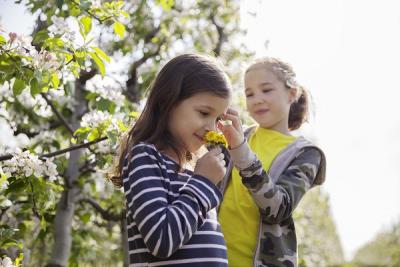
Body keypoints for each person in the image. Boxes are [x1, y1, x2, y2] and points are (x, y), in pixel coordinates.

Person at [109, 53, 232, 266]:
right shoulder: (145, 156)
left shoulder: (194, 169)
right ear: (169, 101)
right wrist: (202, 183)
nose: (212, 128)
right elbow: (161, 240)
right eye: (204, 113)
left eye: (218, 119)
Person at [217, 57, 326, 267]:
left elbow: (278, 208)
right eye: (249, 94)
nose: (257, 99)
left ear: (292, 93)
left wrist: (241, 152)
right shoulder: (237, 136)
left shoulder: (306, 154)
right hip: (215, 259)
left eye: (266, 90)